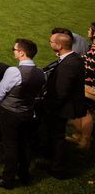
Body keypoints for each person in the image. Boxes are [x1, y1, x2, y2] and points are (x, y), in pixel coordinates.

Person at [0, 38, 45, 189]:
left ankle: (8, 179)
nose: (13, 51)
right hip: (28, 113)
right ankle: (24, 174)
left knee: (10, 146)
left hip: (10, 113)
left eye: (14, 49)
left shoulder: (14, 71)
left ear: (22, 53)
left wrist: (2, 104)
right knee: (24, 143)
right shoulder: (40, 72)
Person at [41, 28, 86, 179]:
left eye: (51, 41)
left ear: (59, 46)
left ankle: (57, 168)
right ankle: (54, 160)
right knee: (57, 136)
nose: (49, 43)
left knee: (57, 136)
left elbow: (61, 92)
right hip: (64, 105)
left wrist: (48, 106)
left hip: (61, 108)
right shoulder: (74, 58)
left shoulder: (68, 65)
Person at [69, 22, 95, 150]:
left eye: (91, 29)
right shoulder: (93, 47)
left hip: (90, 88)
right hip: (86, 85)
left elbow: (91, 68)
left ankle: (85, 140)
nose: (88, 31)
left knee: (85, 111)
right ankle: (80, 135)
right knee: (79, 109)